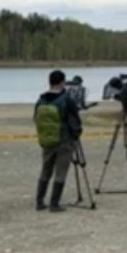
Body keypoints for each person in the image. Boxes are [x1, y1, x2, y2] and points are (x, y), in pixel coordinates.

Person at [34, 70, 82, 212]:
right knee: (60, 172)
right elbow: (75, 121)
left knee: (45, 170)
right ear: (62, 82)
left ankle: (39, 201)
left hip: (47, 140)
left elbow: (36, 119)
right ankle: (54, 203)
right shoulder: (66, 100)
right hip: (64, 140)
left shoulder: (41, 99)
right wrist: (76, 134)